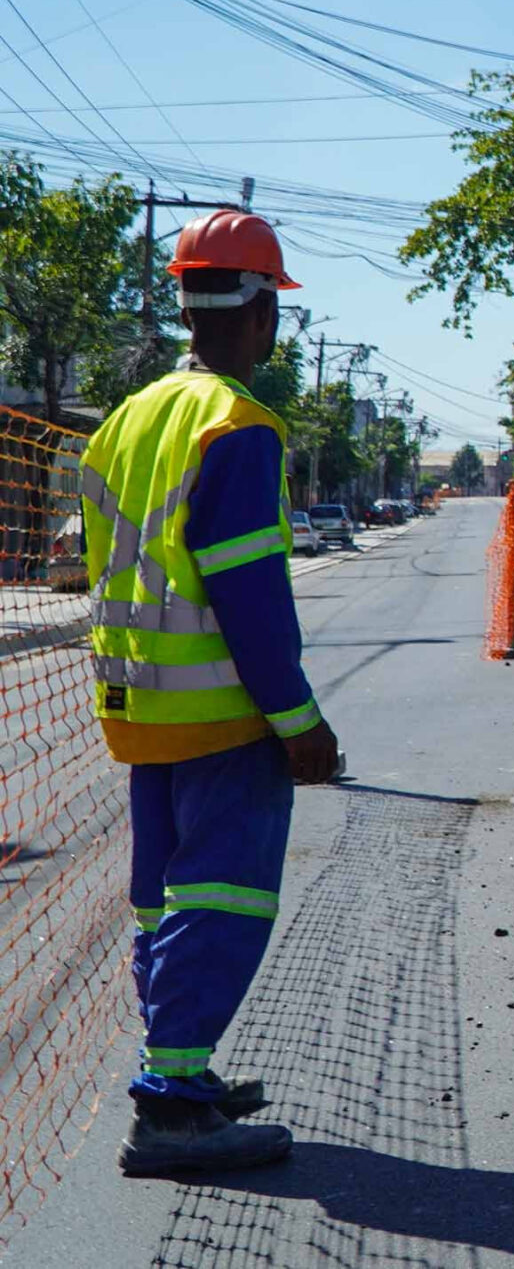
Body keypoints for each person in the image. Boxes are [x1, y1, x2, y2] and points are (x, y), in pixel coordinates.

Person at [80, 208, 339, 1177]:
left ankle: (177, 1068)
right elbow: (247, 589)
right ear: (263, 312)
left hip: (138, 709)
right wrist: (298, 720)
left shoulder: (123, 421)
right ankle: (173, 1107)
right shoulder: (236, 426)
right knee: (222, 902)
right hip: (223, 715)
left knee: (162, 903)